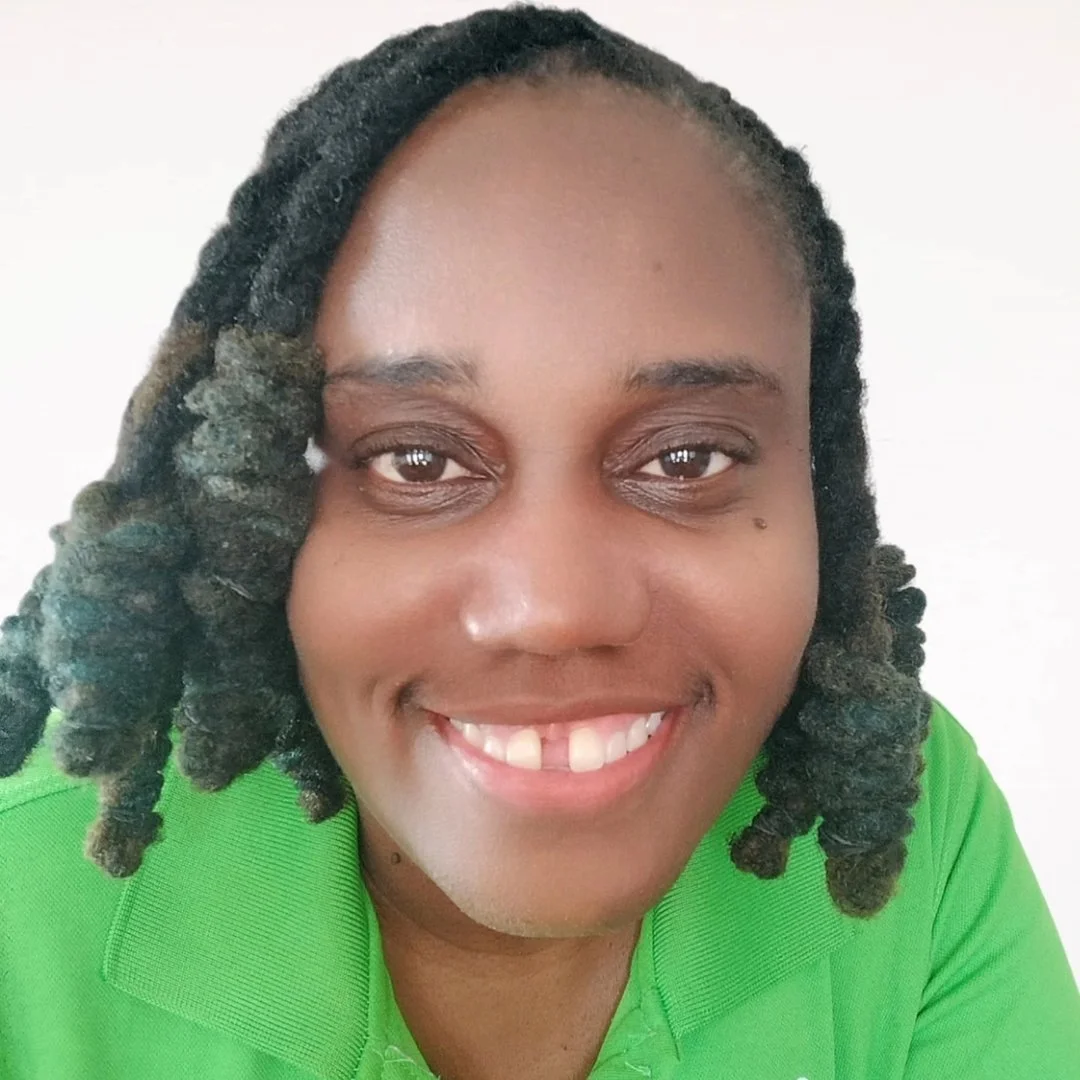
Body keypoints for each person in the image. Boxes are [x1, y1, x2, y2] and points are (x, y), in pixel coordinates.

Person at [0, 4, 1076, 1078]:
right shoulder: (18, 902)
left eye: (685, 460)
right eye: (417, 463)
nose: (555, 606)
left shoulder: (911, 823)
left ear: (822, 501)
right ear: (246, 501)